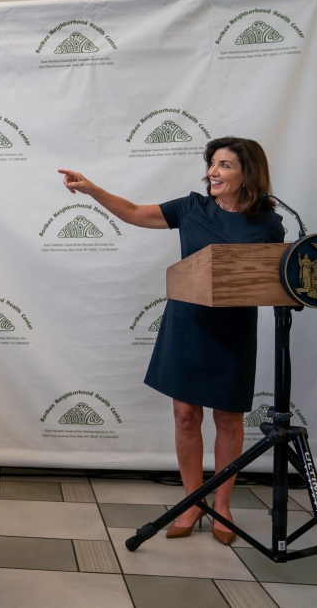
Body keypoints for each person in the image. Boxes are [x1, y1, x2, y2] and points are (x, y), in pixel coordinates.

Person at [59, 137, 285, 545]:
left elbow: (271, 278)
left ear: (248, 173)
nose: (213, 171)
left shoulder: (268, 223)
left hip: (234, 329)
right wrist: (91, 189)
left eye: (225, 165)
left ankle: (222, 505)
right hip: (187, 325)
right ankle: (191, 503)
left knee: (228, 418)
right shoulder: (192, 208)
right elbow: (133, 213)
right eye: (212, 164)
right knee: (185, 415)